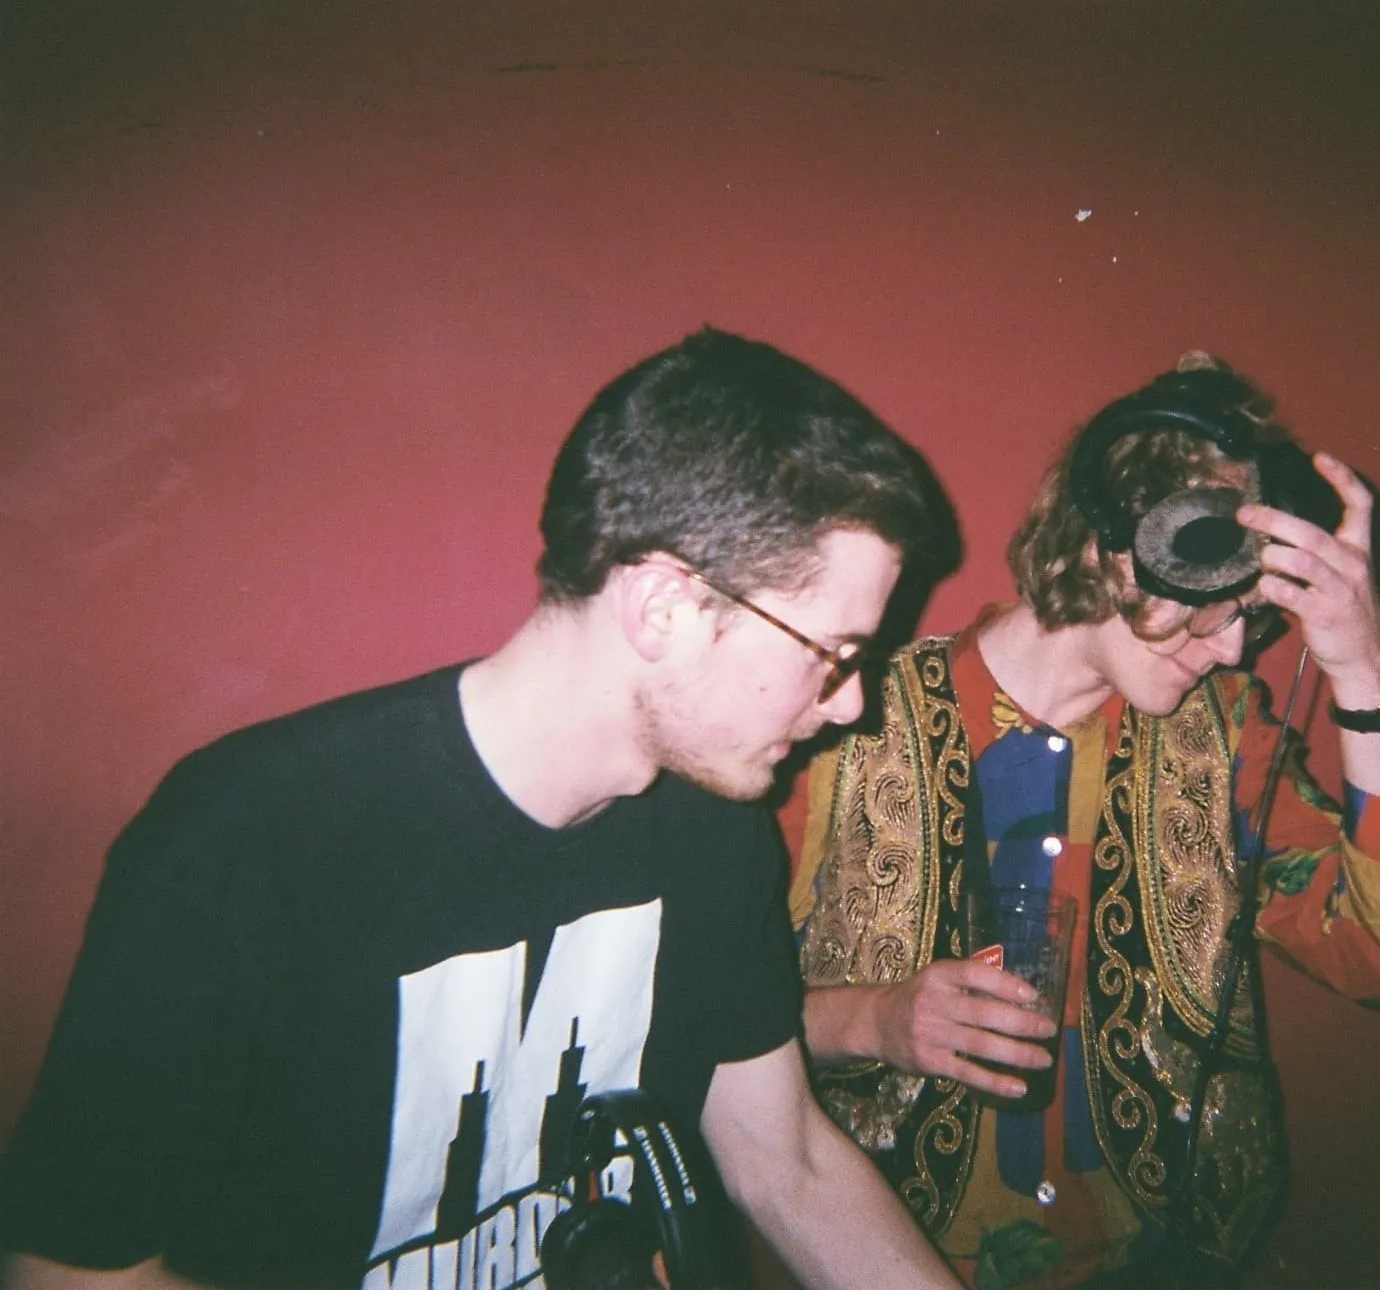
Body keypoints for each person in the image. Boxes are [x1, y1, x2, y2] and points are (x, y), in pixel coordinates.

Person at [0, 328, 964, 1290]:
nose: (851, 703)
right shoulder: (249, 837)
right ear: (665, 606)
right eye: (831, 653)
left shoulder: (711, 824)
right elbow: (73, 1270)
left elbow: (785, 1156)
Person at [783, 353, 1380, 1288]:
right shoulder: (840, 723)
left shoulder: (1227, 741)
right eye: (1211, 610)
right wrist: (872, 1018)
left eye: (1253, 619)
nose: (1237, 647)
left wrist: (1366, 673)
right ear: (1100, 551)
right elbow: (694, 1013)